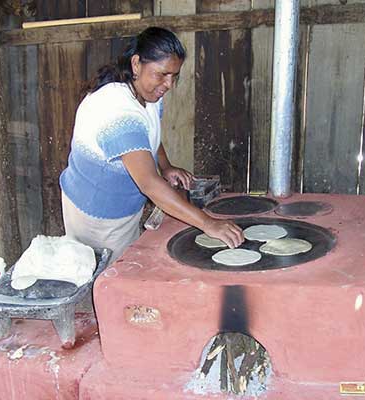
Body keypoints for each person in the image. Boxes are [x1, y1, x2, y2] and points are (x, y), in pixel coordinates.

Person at [59, 27, 244, 258]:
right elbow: (148, 183)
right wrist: (208, 224)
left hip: (123, 207)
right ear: (136, 64)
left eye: (174, 76)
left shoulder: (148, 94)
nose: (168, 84)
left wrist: (165, 166)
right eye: (162, 74)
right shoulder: (117, 110)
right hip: (96, 215)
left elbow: (148, 136)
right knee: (109, 279)